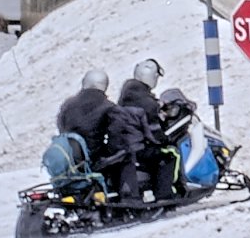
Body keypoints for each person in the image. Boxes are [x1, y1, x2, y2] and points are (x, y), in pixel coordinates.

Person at [112, 58, 182, 200]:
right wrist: (166, 140)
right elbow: (154, 134)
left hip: (123, 145)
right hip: (138, 148)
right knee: (170, 155)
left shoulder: (127, 95)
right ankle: (165, 194)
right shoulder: (147, 103)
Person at [56, 69, 132, 197]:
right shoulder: (108, 106)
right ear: (104, 85)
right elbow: (117, 136)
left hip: (68, 156)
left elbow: (61, 126)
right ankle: (129, 198)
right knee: (126, 154)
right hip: (92, 158)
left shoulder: (67, 105)